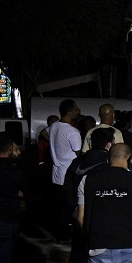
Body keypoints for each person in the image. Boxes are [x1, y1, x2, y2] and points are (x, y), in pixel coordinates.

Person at [61, 127, 117, 263]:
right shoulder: (109, 165)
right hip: (102, 220)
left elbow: (67, 189)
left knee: (77, 260)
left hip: (79, 218)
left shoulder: (76, 163)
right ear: (109, 144)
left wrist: (75, 209)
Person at [48, 99, 83, 235]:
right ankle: (64, 234)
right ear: (69, 112)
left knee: (58, 207)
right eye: (76, 109)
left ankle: (58, 232)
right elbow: (79, 153)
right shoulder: (73, 132)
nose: (78, 111)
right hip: (68, 175)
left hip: (56, 173)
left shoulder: (54, 126)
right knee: (68, 208)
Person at [0, 134, 24, 263]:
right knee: (2, 261)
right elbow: (28, 190)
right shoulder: (13, 170)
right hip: (7, 219)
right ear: (9, 150)